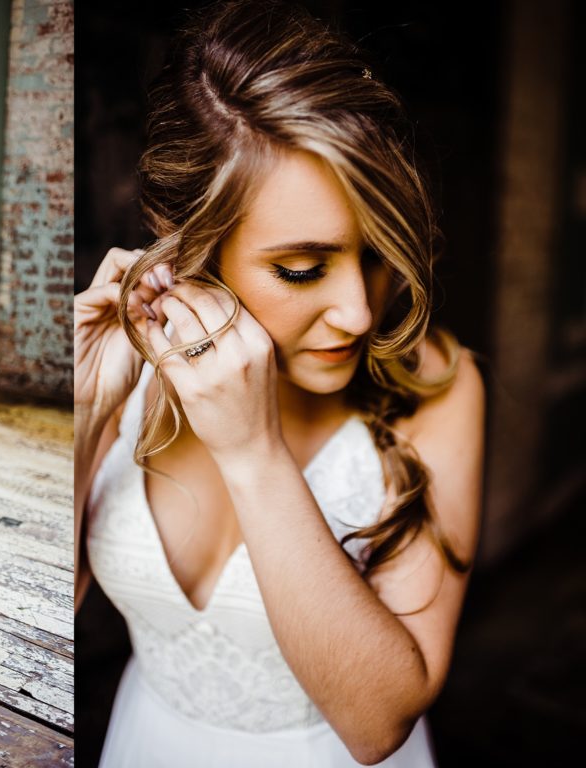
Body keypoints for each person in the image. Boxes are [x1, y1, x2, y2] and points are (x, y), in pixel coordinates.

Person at [74, 2, 484, 766]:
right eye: (302, 268)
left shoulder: (437, 388)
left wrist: (254, 452)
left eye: (375, 254)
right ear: (190, 243)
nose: (359, 314)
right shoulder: (128, 363)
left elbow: (376, 724)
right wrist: (93, 411)